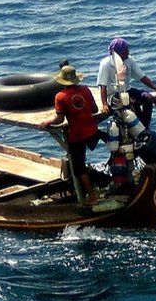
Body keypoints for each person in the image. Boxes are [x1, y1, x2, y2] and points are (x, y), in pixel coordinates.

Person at [39, 63, 106, 205]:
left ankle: (92, 198)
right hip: (93, 131)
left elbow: (60, 119)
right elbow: (94, 109)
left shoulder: (60, 97)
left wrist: (47, 122)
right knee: (105, 137)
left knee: (79, 168)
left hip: (77, 136)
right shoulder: (86, 90)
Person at [96, 37, 156, 129]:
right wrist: (105, 104)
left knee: (148, 98)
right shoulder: (105, 64)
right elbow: (103, 86)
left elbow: (142, 77)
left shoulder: (129, 60)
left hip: (127, 89)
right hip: (113, 94)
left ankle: (145, 127)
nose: (128, 51)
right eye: (126, 50)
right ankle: (138, 129)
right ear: (119, 51)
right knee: (132, 102)